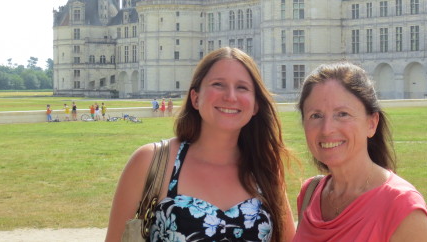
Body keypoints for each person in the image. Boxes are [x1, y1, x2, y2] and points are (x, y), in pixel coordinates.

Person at [106, 47, 295, 242]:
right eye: (218, 84)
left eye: (242, 87)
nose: (230, 96)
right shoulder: (150, 162)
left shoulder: (265, 168)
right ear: (195, 98)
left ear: (255, 105)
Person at [294, 62, 427, 241]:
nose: (326, 129)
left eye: (342, 114)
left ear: (371, 123)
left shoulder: (401, 206)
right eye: (316, 115)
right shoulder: (310, 193)